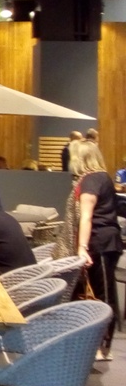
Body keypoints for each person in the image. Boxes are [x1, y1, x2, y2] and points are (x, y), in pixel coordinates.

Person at [65, 140, 121, 360]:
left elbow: (87, 217)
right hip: (100, 242)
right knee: (94, 294)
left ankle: (102, 347)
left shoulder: (92, 179)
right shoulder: (98, 177)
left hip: (100, 243)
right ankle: (94, 344)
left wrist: (82, 248)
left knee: (102, 296)